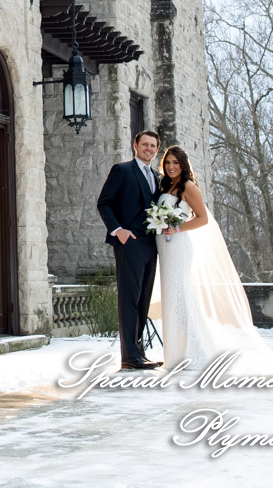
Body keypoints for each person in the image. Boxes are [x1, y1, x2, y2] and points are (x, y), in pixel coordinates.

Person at [154, 144, 273, 370]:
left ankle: (192, 352)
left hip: (179, 247)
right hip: (165, 248)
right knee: (171, 299)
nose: (171, 167)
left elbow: (202, 218)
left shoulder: (188, 186)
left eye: (175, 163)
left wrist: (177, 227)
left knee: (181, 297)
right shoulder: (165, 185)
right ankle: (174, 353)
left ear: (183, 165)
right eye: (168, 163)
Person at [95, 130, 163, 370]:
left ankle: (138, 351)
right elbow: (104, 203)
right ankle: (128, 356)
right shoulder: (122, 170)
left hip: (151, 244)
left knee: (143, 299)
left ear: (157, 149)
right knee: (129, 299)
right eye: (145, 144)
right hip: (129, 243)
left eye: (153, 146)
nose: (148, 149)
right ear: (135, 145)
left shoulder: (157, 176)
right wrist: (118, 230)